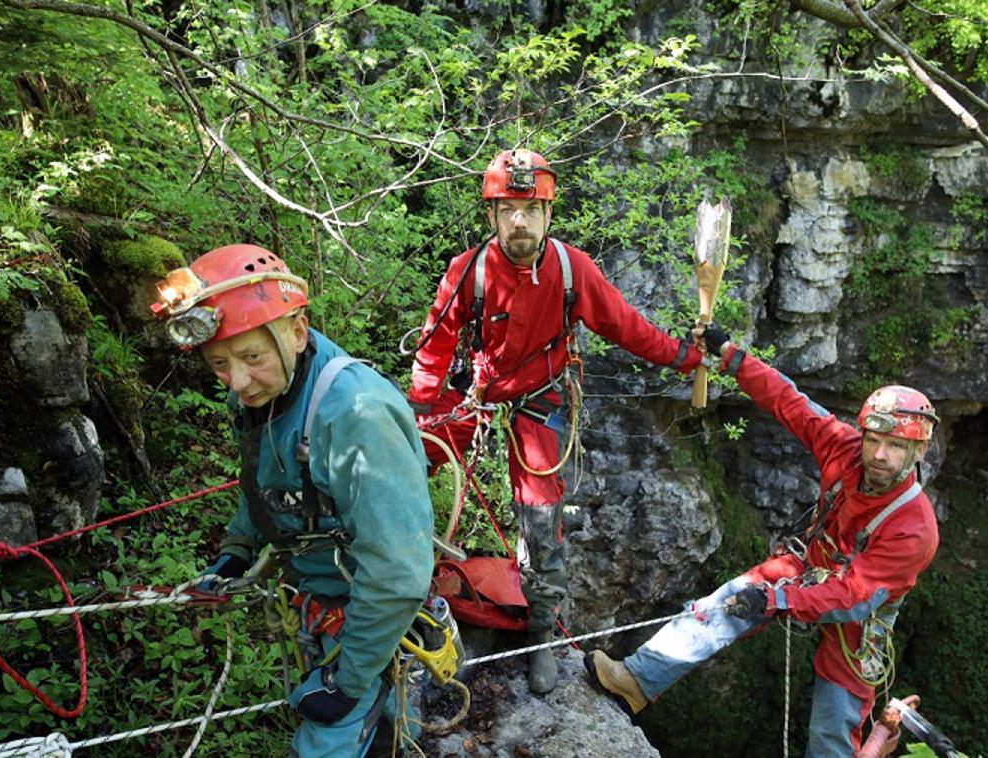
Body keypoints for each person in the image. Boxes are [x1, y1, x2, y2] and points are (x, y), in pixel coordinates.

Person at [407, 148, 705, 693]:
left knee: (543, 519)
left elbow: (629, 329)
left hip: (538, 400)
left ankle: (541, 633)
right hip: (476, 393)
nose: (519, 220)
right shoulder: (468, 271)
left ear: (547, 214)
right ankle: (406, 589)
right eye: (507, 209)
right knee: (403, 468)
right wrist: (422, 416)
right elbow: (434, 348)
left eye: (530, 208)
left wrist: (688, 356)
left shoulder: (573, 271)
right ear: (492, 215)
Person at [586, 326, 941, 757]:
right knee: (725, 603)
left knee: (833, 724)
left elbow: (855, 596)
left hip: (861, 615)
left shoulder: (914, 528)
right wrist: (732, 357)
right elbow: (787, 401)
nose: (879, 456)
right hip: (813, 562)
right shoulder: (844, 449)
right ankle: (638, 681)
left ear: (917, 453)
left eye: (894, 447)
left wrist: (777, 600)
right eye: (873, 441)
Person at [150, 244, 435, 758]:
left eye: (250, 358)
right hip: (321, 604)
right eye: (218, 363)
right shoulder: (262, 393)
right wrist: (239, 548)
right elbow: (265, 480)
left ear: (297, 332)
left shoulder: (356, 415)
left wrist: (345, 681)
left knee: (326, 742)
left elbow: (397, 573)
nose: (237, 382)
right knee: (386, 728)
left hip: (367, 617)